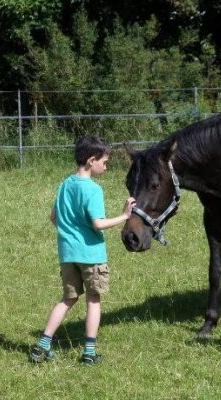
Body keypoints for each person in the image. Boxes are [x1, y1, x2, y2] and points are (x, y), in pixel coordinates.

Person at [30, 136, 136, 365]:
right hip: (91, 255)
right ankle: (89, 352)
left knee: (67, 299)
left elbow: (53, 218)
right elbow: (97, 224)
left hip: (67, 254)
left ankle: (43, 344)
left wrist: (70, 233)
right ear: (91, 161)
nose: (106, 166)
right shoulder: (93, 190)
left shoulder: (65, 185)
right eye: (105, 162)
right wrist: (124, 216)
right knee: (93, 299)